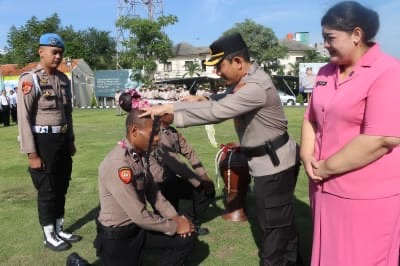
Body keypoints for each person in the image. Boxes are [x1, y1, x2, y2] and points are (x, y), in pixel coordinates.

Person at [141, 33, 301, 266]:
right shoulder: (245, 81)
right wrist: (202, 97)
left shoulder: (255, 87)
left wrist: (169, 107)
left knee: (273, 228)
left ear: (237, 62)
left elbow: (217, 112)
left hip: (274, 165)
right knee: (281, 222)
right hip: (270, 160)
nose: (216, 72)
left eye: (219, 65)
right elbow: (222, 98)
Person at [300, 2, 400, 265]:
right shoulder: (325, 72)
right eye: (324, 38)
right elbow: (310, 117)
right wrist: (306, 154)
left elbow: (381, 139)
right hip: (324, 188)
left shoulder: (388, 72)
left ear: (357, 35)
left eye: (330, 38)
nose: (325, 45)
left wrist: (326, 168)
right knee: (327, 255)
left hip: (365, 195)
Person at [94, 108, 197, 266]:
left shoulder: (140, 156)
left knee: (187, 237)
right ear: (134, 131)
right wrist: (175, 227)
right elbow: (139, 215)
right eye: (153, 133)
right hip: (118, 237)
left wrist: (174, 216)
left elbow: (153, 192)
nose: (158, 139)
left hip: (138, 229)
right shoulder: (119, 164)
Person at [17, 33, 80, 251]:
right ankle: (49, 235)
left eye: (60, 53)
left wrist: (70, 139)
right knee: (47, 190)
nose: (57, 56)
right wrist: (31, 153)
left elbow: (68, 113)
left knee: (62, 185)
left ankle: (60, 228)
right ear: (40, 51)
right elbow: (23, 119)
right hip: (42, 141)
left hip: (62, 139)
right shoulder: (29, 79)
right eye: (53, 52)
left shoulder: (63, 80)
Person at [151, 113, 216, 235]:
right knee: (168, 217)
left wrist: (203, 175)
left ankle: (188, 222)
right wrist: (199, 182)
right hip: (159, 185)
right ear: (162, 116)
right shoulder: (158, 135)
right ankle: (181, 226)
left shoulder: (171, 131)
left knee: (205, 192)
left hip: (171, 181)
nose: (174, 115)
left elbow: (189, 152)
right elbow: (178, 166)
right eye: (171, 113)